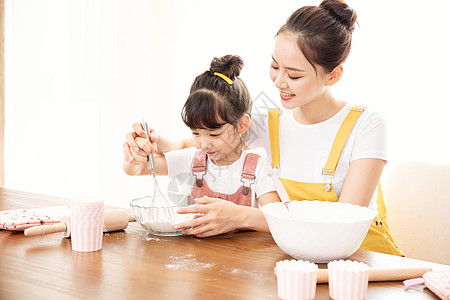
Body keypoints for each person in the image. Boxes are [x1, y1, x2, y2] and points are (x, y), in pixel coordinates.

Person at [124, 0, 403, 256]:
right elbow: (195, 145)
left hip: (366, 262)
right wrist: (149, 142)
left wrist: (242, 216)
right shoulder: (265, 120)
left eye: (294, 75)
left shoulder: (366, 124)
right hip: (297, 259)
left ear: (333, 75)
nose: (279, 82)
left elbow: (343, 222)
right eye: (274, 66)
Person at [123, 55, 281, 237]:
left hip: (241, 259)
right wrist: (137, 152)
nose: (204, 144)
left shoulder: (258, 168)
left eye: (214, 134)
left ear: (242, 125)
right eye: (196, 133)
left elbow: (277, 220)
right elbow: (135, 169)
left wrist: (239, 217)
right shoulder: (192, 160)